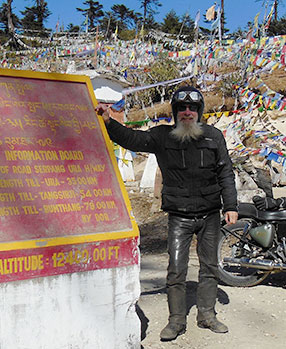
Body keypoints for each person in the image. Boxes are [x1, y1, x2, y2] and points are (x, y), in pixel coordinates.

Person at [96, 86, 238, 341]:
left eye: (192, 108)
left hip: (210, 214)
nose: (187, 112)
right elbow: (131, 139)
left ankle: (207, 315)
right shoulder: (162, 136)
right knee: (175, 268)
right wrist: (108, 122)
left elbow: (225, 172)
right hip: (179, 216)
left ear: (199, 111)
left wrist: (231, 206)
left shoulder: (214, 136)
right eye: (182, 108)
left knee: (210, 266)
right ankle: (176, 321)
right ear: (174, 111)